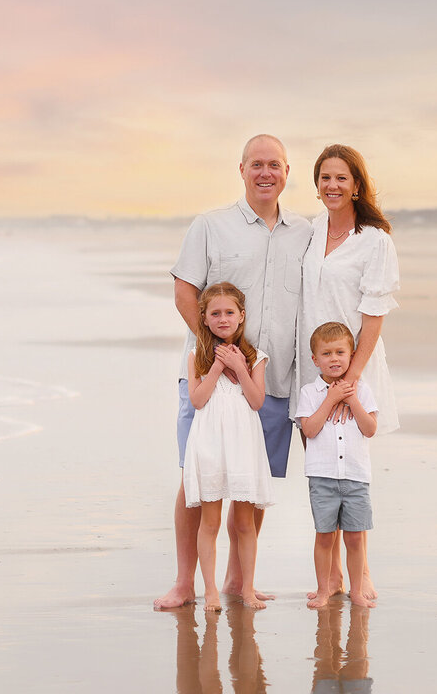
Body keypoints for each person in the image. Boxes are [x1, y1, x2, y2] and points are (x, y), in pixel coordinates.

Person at [154, 135, 312, 610]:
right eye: (257, 164)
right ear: (241, 169)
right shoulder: (210, 226)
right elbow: (185, 293)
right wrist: (218, 355)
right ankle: (184, 582)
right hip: (209, 377)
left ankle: (238, 580)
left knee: (251, 481)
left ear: (288, 172)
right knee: (196, 481)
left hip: (270, 380)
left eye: (275, 165)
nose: (266, 173)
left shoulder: (305, 233)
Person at [295, 143, 400, 600]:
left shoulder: (375, 241)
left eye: (341, 178)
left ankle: (361, 573)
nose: (332, 185)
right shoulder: (312, 232)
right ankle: (331, 575)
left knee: (351, 467)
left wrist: (349, 379)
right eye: (325, 178)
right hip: (314, 368)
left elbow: (374, 314)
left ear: (357, 185)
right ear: (316, 187)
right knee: (322, 468)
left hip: (351, 366)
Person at [182, 282, 274, 611]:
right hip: (209, 441)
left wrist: (238, 367)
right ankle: (209, 590)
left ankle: (246, 588)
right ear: (204, 319)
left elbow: (256, 400)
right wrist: (219, 366)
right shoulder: (197, 356)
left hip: (242, 442)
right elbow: (197, 399)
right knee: (210, 521)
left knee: (245, 522)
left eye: (229, 313)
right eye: (215, 313)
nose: (223, 319)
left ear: (241, 316)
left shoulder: (256, 357)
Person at [296, 322, 378, 609]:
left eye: (340, 352)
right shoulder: (310, 392)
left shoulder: (364, 390)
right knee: (325, 537)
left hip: (355, 478)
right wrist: (331, 400)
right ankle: (323, 589)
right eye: (327, 353)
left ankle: (356, 590)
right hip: (323, 478)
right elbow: (310, 430)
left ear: (352, 355)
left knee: (355, 539)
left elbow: (369, 429)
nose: (334, 359)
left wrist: (351, 399)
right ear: (315, 359)